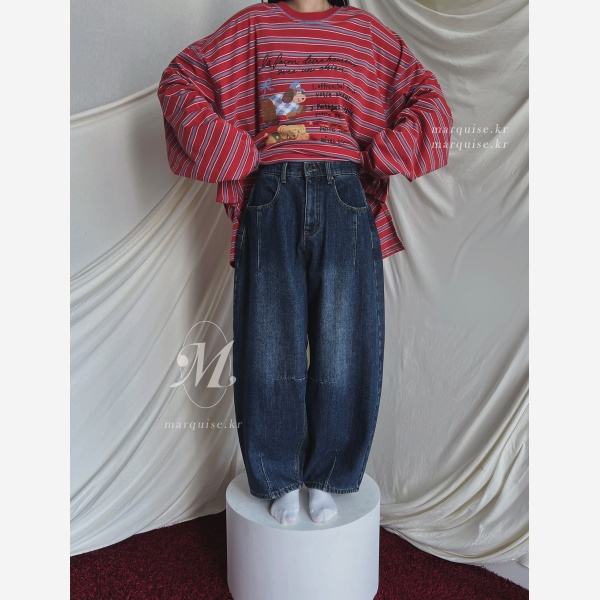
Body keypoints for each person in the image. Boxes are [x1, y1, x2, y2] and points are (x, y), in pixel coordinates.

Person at [158, 0, 452, 526]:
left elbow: (426, 95)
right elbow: (180, 80)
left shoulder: (363, 31)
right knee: (269, 345)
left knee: (345, 345)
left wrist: (388, 149)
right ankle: (277, 475)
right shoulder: (253, 25)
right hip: (273, 190)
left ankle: (329, 475)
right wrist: (232, 149)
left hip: (344, 192)